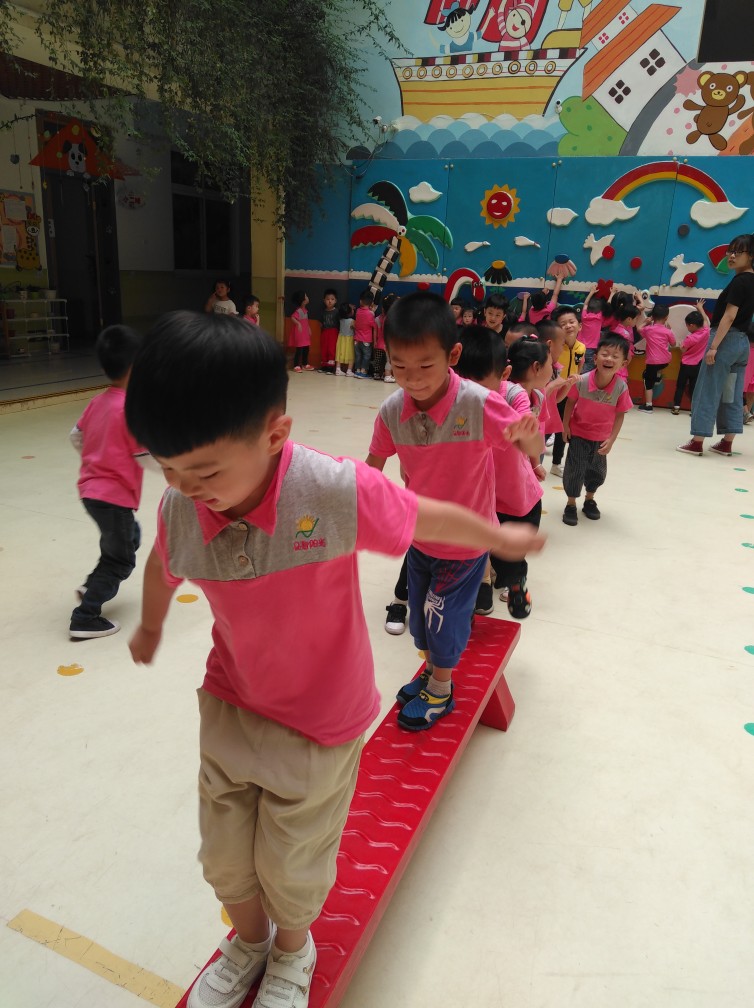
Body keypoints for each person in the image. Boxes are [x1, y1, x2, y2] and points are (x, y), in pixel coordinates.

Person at [125, 311, 544, 1008]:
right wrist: (149, 625)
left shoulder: (328, 490)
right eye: (166, 467)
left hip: (320, 714)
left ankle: (294, 950)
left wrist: (499, 536)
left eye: (202, 470)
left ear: (274, 434)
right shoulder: (180, 506)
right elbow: (161, 564)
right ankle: (248, 941)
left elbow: (423, 515)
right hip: (232, 696)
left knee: (293, 859)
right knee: (224, 857)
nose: (183, 485)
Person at [365, 292, 543, 731]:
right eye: (399, 367)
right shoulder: (392, 411)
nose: (413, 379)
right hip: (419, 536)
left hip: (466, 542)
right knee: (421, 623)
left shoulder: (477, 403)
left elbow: (530, 447)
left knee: (443, 619)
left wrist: (529, 435)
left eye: (426, 366)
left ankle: (441, 690)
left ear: (453, 355)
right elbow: (370, 469)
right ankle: (431, 672)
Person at [69, 325, 149, 639]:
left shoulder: (97, 402)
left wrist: (96, 459)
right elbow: (146, 455)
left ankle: (91, 584)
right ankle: (85, 616)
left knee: (129, 536)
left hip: (91, 492)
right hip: (114, 497)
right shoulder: (131, 410)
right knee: (121, 559)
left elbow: (76, 436)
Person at [476, 332, 546, 619]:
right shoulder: (460, 397)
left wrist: (535, 460)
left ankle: (516, 583)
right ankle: (484, 581)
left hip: (517, 492)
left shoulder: (512, 393)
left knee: (512, 554)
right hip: (483, 494)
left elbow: (528, 429)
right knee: (481, 542)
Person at [677, 234, 754, 457]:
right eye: (730, 251)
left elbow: (729, 316)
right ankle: (727, 443)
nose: (731, 256)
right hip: (742, 343)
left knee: (707, 390)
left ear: (751, 256)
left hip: (725, 340)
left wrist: (714, 347)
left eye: (738, 251)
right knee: (731, 393)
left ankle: (697, 441)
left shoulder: (740, 281)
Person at [561, 333, 633, 526]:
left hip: (601, 438)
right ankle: (571, 503)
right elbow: (570, 402)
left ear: (623, 364)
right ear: (595, 358)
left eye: (615, 356)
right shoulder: (582, 381)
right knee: (575, 469)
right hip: (579, 433)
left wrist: (612, 439)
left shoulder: (621, 388)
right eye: (605, 354)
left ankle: (589, 499)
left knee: (598, 471)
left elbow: (620, 414)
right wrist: (565, 425)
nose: (609, 359)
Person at [550, 305, 585, 476]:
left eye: (572, 322)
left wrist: (576, 381)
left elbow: (580, 364)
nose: (568, 326)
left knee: (563, 428)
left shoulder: (581, 347)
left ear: (580, 326)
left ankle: (556, 464)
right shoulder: (555, 347)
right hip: (552, 393)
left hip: (569, 393)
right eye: (563, 324)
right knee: (546, 427)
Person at [637, 304, 676, 412]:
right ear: (666, 317)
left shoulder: (648, 329)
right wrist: (670, 330)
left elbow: (639, 329)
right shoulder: (668, 331)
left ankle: (648, 406)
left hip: (653, 362)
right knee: (656, 370)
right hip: (666, 361)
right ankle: (657, 377)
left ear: (652, 317)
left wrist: (646, 322)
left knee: (648, 382)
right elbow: (673, 344)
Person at [672, 302, 709, 415]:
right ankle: (693, 409)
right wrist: (700, 308)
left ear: (692, 325)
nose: (687, 327)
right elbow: (706, 321)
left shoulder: (690, 338)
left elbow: (683, 349)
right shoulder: (707, 332)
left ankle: (676, 407)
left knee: (680, 386)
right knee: (694, 388)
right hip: (698, 365)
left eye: (687, 325)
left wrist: (680, 345)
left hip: (686, 365)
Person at [579, 284, 606, 374]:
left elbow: (585, 303)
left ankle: (578, 376)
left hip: (580, 346)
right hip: (591, 348)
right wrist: (612, 294)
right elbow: (608, 305)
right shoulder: (599, 317)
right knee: (589, 367)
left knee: (578, 364)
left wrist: (591, 292)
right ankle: (583, 379)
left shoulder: (584, 316)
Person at [353, 289, 376, 378]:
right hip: (366, 340)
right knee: (366, 355)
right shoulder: (371, 314)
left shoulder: (358, 311)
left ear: (360, 301)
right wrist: (373, 312)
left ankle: (357, 370)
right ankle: (363, 371)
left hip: (357, 339)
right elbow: (373, 325)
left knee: (358, 355)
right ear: (371, 303)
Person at [373, 293, 397, 382]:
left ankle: (385, 374)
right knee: (389, 360)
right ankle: (387, 375)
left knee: (385, 360)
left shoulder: (386, 317)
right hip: (388, 343)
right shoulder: (390, 318)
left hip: (385, 342)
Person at [289, 291, 313, 372]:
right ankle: (296, 365)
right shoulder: (298, 311)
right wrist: (298, 323)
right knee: (299, 349)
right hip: (300, 333)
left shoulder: (305, 310)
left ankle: (304, 364)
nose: (307, 298)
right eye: (306, 296)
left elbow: (306, 321)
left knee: (306, 348)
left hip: (305, 333)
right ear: (303, 301)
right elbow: (292, 317)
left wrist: (308, 328)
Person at [318, 288, 339, 373]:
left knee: (331, 348)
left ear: (335, 301)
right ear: (324, 300)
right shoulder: (323, 312)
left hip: (333, 332)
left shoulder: (337, 311)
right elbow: (320, 323)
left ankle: (330, 367)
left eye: (332, 299)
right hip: (325, 331)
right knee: (324, 348)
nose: (330, 301)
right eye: (327, 299)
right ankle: (324, 365)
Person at [335, 301, 355, 377]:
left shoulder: (340, 320)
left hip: (341, 339)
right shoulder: (352, 321)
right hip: (349, 340)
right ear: (349, 312)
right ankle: (349, 370)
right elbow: (356, 329)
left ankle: (338, 369)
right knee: (351, 354)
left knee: (339, 353)